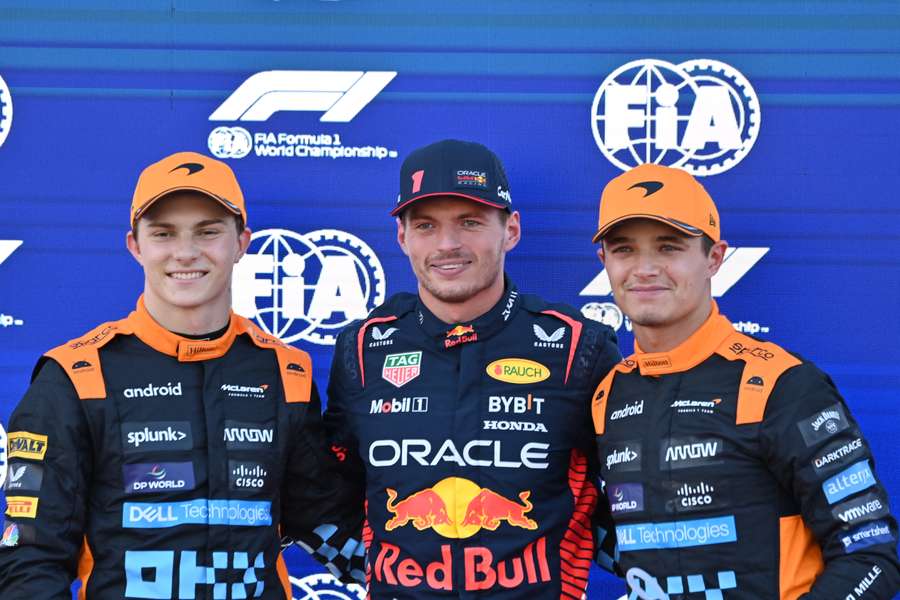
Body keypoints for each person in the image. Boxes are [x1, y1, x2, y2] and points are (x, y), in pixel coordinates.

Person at [0, 151, 364, 599]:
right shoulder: (76, 375)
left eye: (208, 232)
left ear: (241, 243)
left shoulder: (284, 372)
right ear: (135, 245)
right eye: (163, 233)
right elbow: (32, 560)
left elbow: (327, 522)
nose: (186, 252)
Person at [325, 139, 622, 598]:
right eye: (426, 225)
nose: (447, 244)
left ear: (511, 230)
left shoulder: (579, 347)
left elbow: (636, 498)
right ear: (402, 237)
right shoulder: (362, 348)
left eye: (470, 222)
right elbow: (325, 495)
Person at [591, 163, 900, 598]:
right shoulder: (608, 394)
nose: (645, 268)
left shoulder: (781, 384)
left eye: (669, 247)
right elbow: (612, 539)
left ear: (714, 258)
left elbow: (870, 554)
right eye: (624, 250)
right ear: (604, 261)